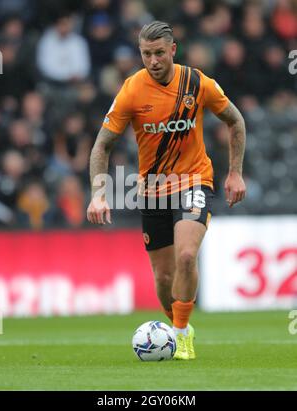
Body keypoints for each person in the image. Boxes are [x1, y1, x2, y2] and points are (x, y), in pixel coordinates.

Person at [87, 21, 246, 360]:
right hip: (154, 190)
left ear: (173, 50)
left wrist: (235, 173)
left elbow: (235, 120)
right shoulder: (131, 90)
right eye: (146, 54)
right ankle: (179, 329)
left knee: (187, 255)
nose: (153, 60)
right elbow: (102, 146)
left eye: (159, 53)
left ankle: (181, 334)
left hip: (194, 181)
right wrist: (99, 193)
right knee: (163, 278)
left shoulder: (197, 82)